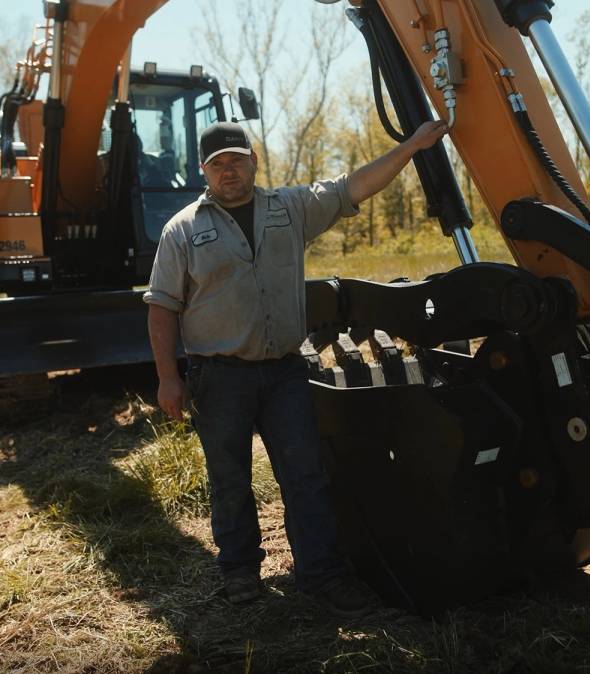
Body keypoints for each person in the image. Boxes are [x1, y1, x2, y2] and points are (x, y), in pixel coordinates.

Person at [143, 118, 448, 616]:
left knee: (305, 474)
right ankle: (240, 573)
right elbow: (161, 308)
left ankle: (321, 576)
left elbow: (356, 186)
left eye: (237, 160)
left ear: (253, 161)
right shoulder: (182, 230)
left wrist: (412, 146)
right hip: (219, 377)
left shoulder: (290, 209)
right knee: (229, 477)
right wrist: (167, 378)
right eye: (218, 164)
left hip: (285, 371)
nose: (229, 171)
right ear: (204, 170)